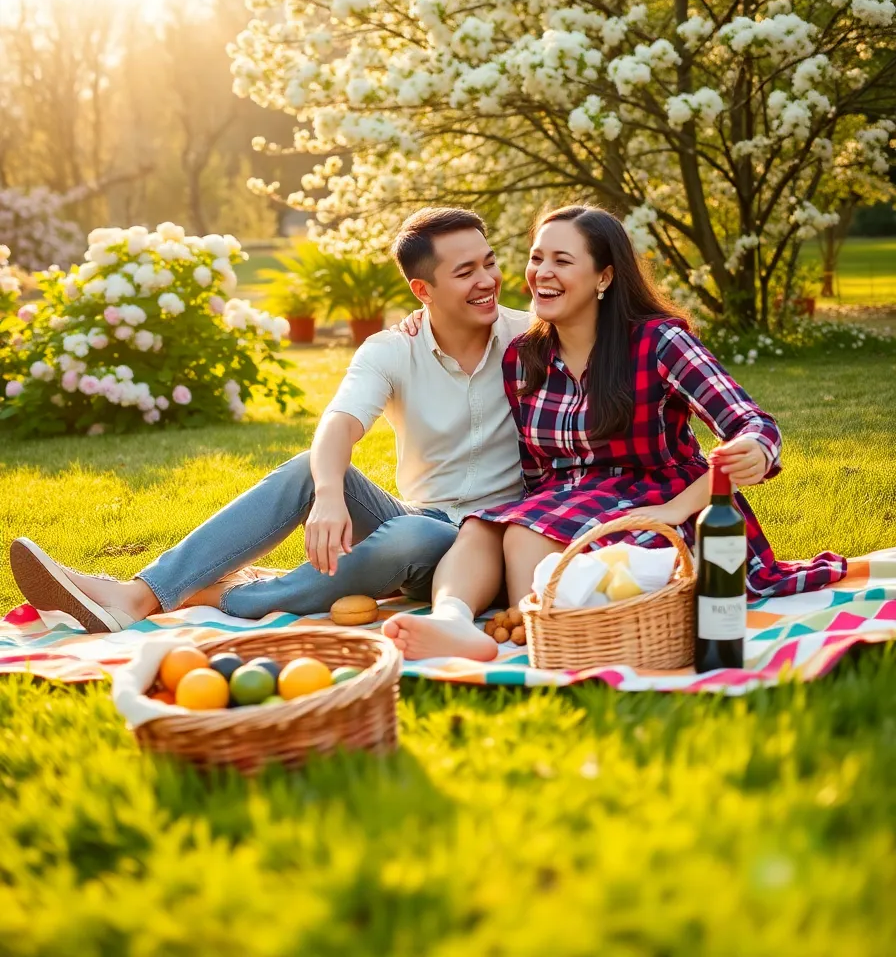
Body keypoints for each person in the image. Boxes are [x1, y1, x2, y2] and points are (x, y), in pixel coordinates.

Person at [9, 207, 531, 632]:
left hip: (496, 537)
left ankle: (236, 596)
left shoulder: (532, 338)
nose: (488, 280)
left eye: (488, 263)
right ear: (423, 291)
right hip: (423, 517)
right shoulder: (393, 350)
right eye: (465, 273)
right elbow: (338, 422)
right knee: (317, 471)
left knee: (407, 538)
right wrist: (329, 494)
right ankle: (139, 594)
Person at [384, 205, 854, 662]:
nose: (541, 272)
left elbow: (753, 424)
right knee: (484, 528)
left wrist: (744, 454)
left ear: (604, 277)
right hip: (562, 503)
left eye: (562, 261)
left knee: (526, 535)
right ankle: (453, 622)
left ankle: (549, 636)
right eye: (536, 257)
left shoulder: (659, 343)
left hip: (656, 501)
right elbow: (537, 474)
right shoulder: (525, 356)